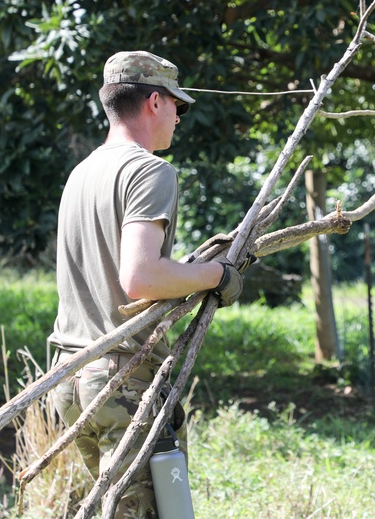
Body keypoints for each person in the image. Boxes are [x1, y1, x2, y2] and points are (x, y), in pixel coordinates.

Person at [48, 50, 244, 519]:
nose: (180, 116)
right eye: (178, 104)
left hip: (69, 379)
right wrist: (217, 276)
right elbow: (140, 276)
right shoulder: (150, 171)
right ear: (154, 101)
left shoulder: (81, 173)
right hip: (121, 379)